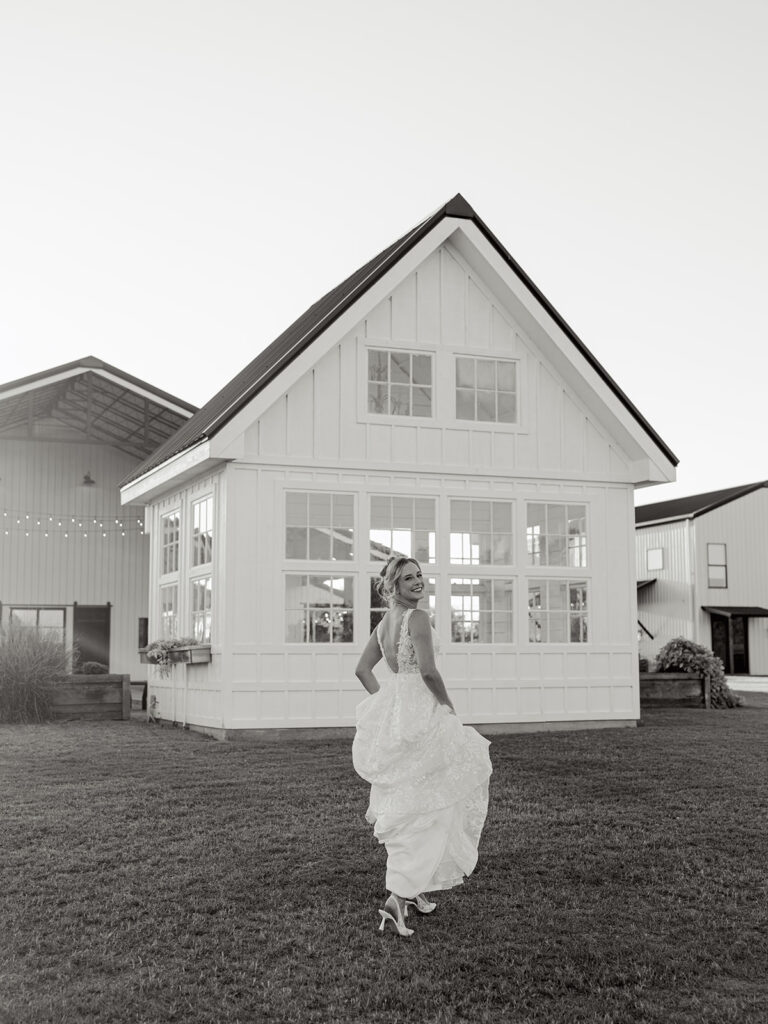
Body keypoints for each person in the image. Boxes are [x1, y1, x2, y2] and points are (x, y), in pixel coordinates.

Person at [352, 555, 492, 937]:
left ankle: (413, 890)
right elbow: (429, 671)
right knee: (434, 802)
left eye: (420, 575)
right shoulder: (417, 619)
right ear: (393, 586)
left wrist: (390, 700)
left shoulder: (385, 624)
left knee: (413, 800)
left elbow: (363, 670)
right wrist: (446, 705)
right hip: (423, 713)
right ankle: (399, 896)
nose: (418, 582)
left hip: (402, 714)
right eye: (409, 578)